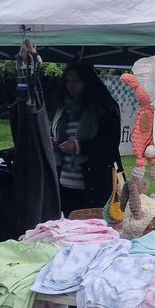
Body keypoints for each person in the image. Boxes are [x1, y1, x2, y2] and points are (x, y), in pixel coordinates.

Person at [50, 61, 122, 216]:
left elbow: (109, 145)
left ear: (86, 82)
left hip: (93, 184)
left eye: (76, 81)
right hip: (64, 182)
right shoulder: (63, 109)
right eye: (68, 81)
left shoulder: (103, 109)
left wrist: (77, 145)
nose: (71, 85)